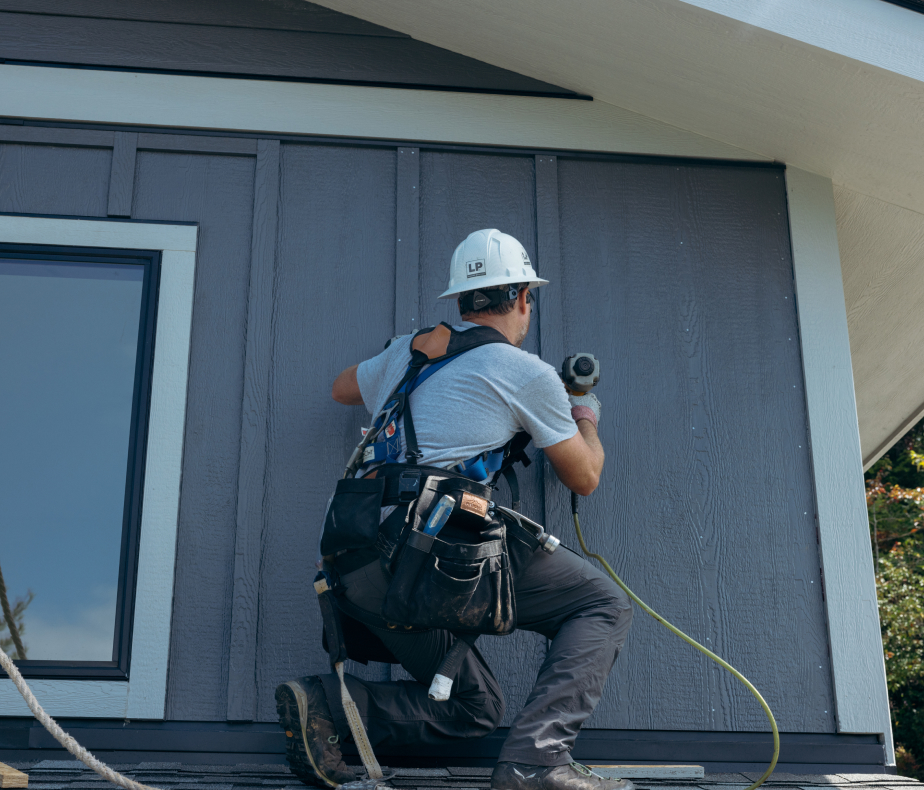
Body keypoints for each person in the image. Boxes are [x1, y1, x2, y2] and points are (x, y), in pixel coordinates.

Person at [276, 229, 634, 790]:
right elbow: (584, 477)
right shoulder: (525, 372)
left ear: (462, 302)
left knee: (473, 707)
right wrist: (583, 413)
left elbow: (343, 388)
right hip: (429, 554)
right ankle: (535, 763)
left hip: (357, 558)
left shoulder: (410, 350)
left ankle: (323, 704)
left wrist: (404, 354)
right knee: (602, 605)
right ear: (521, 298)